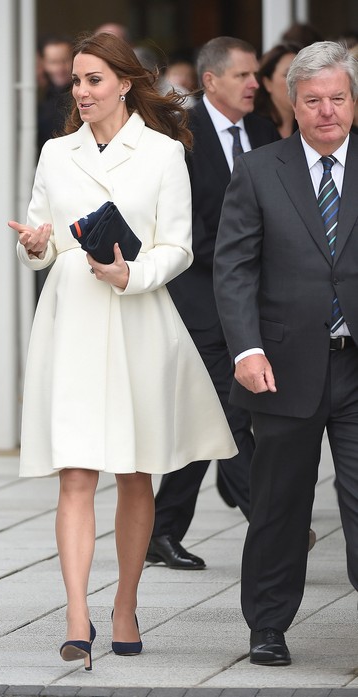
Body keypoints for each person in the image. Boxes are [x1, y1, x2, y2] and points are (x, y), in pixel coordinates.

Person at [9, 31, 236, 670]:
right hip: (73, 321)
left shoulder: (163, 152)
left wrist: (131, 274)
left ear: (124, 83)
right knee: (76, 472)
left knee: (136, 471)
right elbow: (43, 241)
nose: (81, 92)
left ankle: (126, 607)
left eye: (94, 80)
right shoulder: (56, 152)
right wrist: (34, 245)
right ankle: (76, 616)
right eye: (76, 81)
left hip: (138, 316)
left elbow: (179, 246)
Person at [214, 40, 358, 666]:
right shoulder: (259, 170)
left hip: (355, 365)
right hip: (281, 367)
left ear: (353, 102)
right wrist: (246, 349)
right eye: (314, 100)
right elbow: (234, 269)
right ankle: (268, 625)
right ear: (292, 105)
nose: (327, 111)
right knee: (279, 504)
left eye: (338, 98)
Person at [147, 37, 280, 571]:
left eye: (255, 74)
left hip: (254, 298)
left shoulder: (264, 131)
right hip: (200, 297)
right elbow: (183, 226)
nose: (254, 84)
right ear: (210, 81)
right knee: (228, 413)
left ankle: (161, 529)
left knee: (214, 417)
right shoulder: (181, 136)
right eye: (243, 75)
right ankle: (273, 525)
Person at [254, 42, 301, 138]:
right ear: (267, 83)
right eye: (287, 75)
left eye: (301, 74)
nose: (296, 81)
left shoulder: (307, 125)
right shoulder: (253, 128)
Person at [37, 35, 73, 152]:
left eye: (65, 60)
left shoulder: (84, 95)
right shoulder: (38, 96)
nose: (60, 68)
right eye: (53, 62)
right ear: (44, 63)